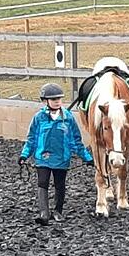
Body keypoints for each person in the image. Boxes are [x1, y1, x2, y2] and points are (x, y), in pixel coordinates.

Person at [19, 83, 93, 225]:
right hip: (43, 157)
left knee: (60, 185)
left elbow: (76, 141)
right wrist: (24, 155)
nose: (57, 102)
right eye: (54, 99)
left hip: (61, 158)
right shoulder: (39, 117)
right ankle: (44, 213)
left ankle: (58, 211)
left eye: (59, 99)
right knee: (43, 182)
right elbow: (32, 139)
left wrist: (87, 158)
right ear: (45, 101)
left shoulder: (68, 118)